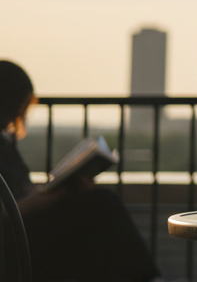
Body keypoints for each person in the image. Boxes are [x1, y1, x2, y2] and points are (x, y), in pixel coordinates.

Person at [0, 60, 161, 282]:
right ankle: (149, 278)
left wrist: (54, 189)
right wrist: (44, 199)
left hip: (24, 229)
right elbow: (9, 207)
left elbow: (19, 189)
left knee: (95, 204)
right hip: (12, 240)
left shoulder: (5, 143)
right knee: (100, 207)